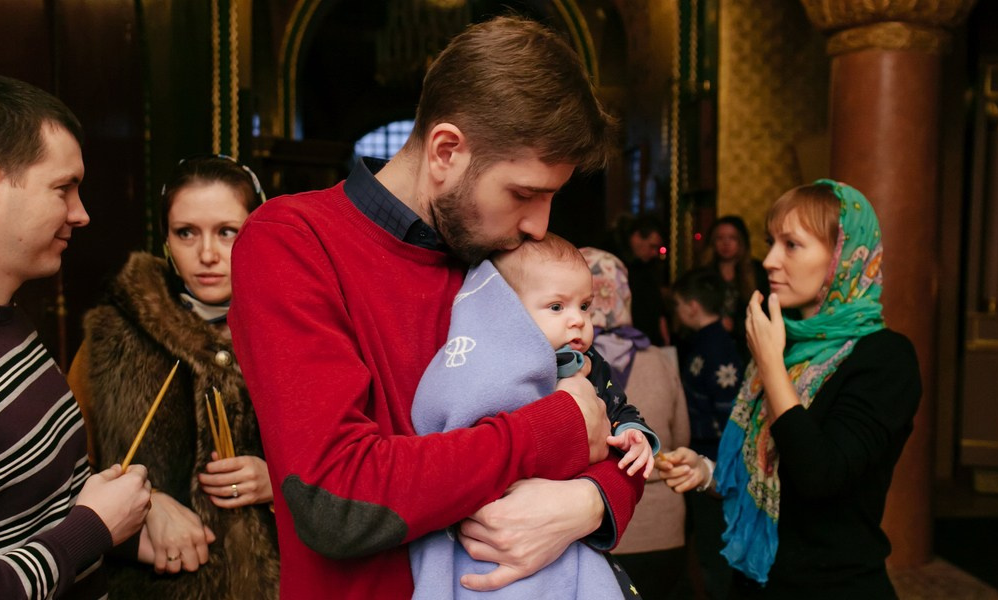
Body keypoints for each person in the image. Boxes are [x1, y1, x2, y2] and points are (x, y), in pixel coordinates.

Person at [227, 16, 643, 599]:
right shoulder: (290, 241)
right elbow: (337, 500)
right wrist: (555, 430)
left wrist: (590, 501)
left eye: (551, 197)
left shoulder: (502, 256)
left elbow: (603, 412)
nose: (539, 225)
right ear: (446, 150)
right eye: (523, 194)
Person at [0, 70, 151, 599]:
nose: (81, 213)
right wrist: (90, 530)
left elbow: (22, 521)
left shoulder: (1, 319)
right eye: (63, 188)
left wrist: (117, 523)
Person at [658, 180, 921, 599]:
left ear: (843, 258)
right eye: (770, 243)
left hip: (832, 587)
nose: (771, 260)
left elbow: (820, 476)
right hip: (755, 583)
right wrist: (707, 474)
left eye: (792, 245)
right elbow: (765, 469)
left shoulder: (885, 358)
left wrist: (771, 364)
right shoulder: (787, 344)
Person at [67, 156, 278, 598]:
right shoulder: (113, 336)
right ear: (165, 240)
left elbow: (357, 463)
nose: (207, 254)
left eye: (227, 232)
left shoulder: (299, 332)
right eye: (186, 233)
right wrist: (143, 504)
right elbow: (60, 477)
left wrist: (280, 481)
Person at [409, 234, 658, 600]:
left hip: (561, 531)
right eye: (557, 307)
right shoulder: (485, 360)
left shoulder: (591, 366)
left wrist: (633, 432)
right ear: (509, 310)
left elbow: (618, 407)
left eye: (585, 306)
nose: (577, 320)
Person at [578, 247, 692, 600]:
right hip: (663, 529)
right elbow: (679, 436)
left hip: (597, 528)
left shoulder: (569, 365)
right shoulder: (658, 359)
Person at [668, 267, 743, 599]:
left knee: (715, 550)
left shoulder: (716, 348)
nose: (677, 313)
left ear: (693, 307)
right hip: (704, 454)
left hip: (716, 460)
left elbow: (730, 416)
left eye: (679, 305)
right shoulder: (702, 343)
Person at [703, 216, 769, 363]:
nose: (726, 243)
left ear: (741, 242)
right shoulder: (704, 273)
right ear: (713, 242)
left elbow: (766, 312)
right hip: (710, 346)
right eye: (720, 238)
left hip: (745, 348)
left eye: (732, 238)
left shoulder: (757, 271)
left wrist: (736, 326)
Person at [618, 214, 671, 346]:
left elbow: (658, 308)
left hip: (651, 339)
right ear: (636, 238)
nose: (654, 253)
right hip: (627, 339)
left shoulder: (649, 268)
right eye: (652, 246)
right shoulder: (616, 265)